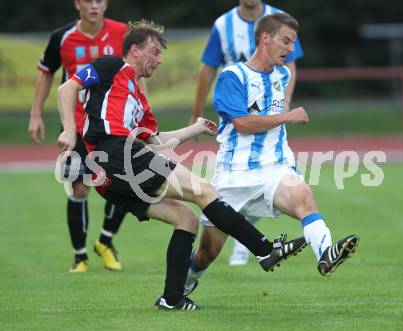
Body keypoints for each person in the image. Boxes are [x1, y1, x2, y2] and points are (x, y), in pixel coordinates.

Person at [56, 19, 307, 311]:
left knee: (186, 219)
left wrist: (196, 128)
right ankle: (266, 250)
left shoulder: (138, 101)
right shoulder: (113, 66)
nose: (159, 60)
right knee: (204, 190)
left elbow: (157, 140)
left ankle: (171, 298)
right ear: (134, 50)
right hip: (114, 153)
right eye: (154, 52)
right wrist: (69, 130)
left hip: (109, 176)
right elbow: (66, 89)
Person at [183, 13, 359, 296]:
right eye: (286, 41)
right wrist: (288, 117)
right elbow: (242, 124)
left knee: (304, 200)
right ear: (265, 38)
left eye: (293, 43)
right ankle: (185, 283)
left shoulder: (283, 74)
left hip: (275, 167)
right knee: (207, 252)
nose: (290, 50)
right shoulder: (232, 77)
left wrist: (284, 119)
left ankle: (326, 254)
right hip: (233, 175)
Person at [190, 0, 304, 266]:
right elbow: (208, 68)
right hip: (236, 113)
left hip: (270, 116)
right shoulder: (223, 24)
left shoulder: (279, 18)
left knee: (272, 178)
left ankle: (247, 247)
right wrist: (196, 112)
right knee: (209, 242)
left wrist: (283, 106)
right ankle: (183, 283)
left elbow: (291, 65)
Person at [28, 0, 128, 272]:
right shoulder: (62, 37)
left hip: (112, 122)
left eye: (99, 0)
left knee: (125, 183)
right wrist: (36, 114)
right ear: (77, 4)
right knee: (79, 187)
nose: (94, 6)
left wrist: (141, 109)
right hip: (75, 124)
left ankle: (105, 241)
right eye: (88, 0)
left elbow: (134, 73)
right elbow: (46, 73)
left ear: (106, 4)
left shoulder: (122, 33)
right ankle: (80, 257)